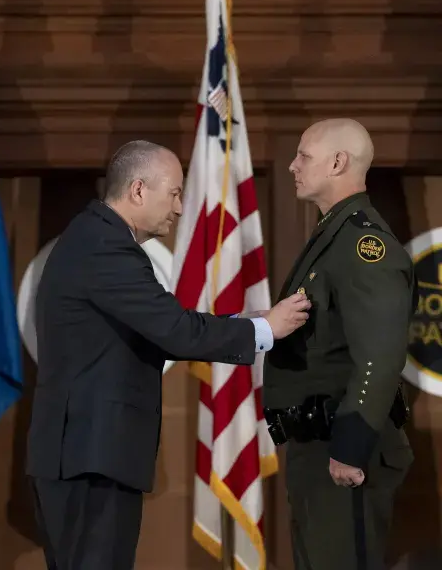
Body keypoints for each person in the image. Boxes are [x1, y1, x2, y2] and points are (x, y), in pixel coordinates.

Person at [26, 140, 311, 570]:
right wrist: (266, 329)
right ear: (138, 190)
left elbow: (159, 326)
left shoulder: (96, 238)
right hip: (89, 459)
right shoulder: (106, 247)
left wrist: (245, 319)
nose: (179, 208)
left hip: (85, 455)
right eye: (174, 193)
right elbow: (175, 331)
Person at [263, 119, 418, 570]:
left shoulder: (363, 242)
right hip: (319, 445)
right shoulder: (334, 234)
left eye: (303, 156)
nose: (293, 166)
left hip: (347, 449)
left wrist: (350, 445)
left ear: (338, 162)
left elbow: (381, 353)